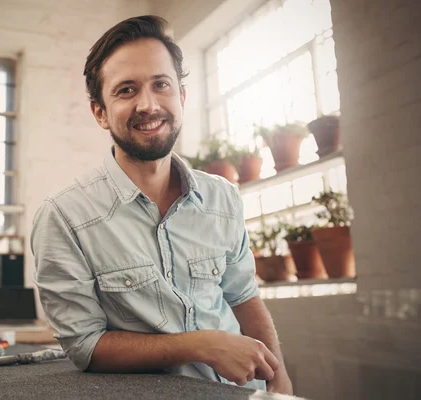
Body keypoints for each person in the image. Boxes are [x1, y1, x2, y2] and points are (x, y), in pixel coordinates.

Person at [31, 15, 293, 395]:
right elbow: (85, 346)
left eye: (161, 85)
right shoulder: (63, 217)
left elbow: (243, 298)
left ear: (181, 97)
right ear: (100, 112)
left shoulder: (222, 197)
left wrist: (278, 380)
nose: (148, 104)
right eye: (125, 90)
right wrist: (202, 345)